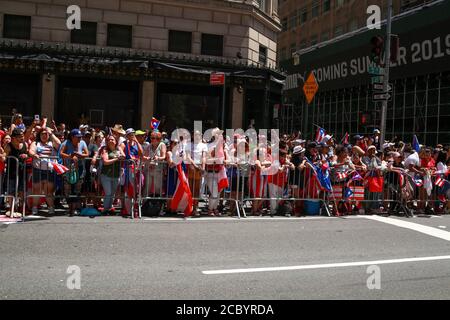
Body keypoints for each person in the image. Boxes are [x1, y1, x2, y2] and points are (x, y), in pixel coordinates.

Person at [28, 127, 61, 215]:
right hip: (37, 169)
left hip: (49, 170)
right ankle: (34, 207)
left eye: (46, 134)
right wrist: (34, 154)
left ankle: (50, 207)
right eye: (42, 134)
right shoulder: (36, 143)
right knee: (36, 190)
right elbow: (30, 151)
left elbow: (59, 143)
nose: (44, 135)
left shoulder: (51, 143)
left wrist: (51, 133)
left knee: (48, 191)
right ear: (39, 135)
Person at [59, 129, 89, 216]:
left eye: (80, 137)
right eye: (77, 137)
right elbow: (61, 153)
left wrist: (80, 155)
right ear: (72, 137)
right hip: (68, 169)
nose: (79, 139)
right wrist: (69, 156)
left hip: (79, 168)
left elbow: (87, 154)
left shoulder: (82, 143)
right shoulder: (66, 143)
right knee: (67, 188)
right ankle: (70, 208)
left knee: (77, 188)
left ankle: (75, 208)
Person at [3, 128, 28, 217]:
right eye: (20, 136)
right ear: (13, 138)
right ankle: (12, 209)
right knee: (11, 191)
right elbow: (4, 158)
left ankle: (22, 208)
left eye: (22, 136)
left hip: (22, 171)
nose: (22, 137)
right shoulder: (8, 146)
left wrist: (26, 156)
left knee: (22, 190)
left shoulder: (24, 144)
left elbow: (27, 154)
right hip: (11, 172)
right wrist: (2, 155)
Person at [119, 128, 143, 217]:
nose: (131, 136)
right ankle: (127, 209)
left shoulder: (136, 144)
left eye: (133, 134)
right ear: (127, 136)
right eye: (130, 134)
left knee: (137, 188)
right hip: (128, 168)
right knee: (128, 189)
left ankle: (136, 208)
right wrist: (124, 155)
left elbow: (141, 153)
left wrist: (137, 142)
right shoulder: (124, 144)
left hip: (136, 168)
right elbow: (120, 149)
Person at [99, 135, 125, 215]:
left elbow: (123, 156)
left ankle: (109, 208)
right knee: (108, 193)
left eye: (113, 139)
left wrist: (121, 157)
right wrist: (117, 158)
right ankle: (105, 209)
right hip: (106, 175)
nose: (111, 141)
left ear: (116, 141)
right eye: (109, 139)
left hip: (116, 175)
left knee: (112, 193)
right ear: (107, 141)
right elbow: (105, 162)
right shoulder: (105, 149)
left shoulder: (119, 148)